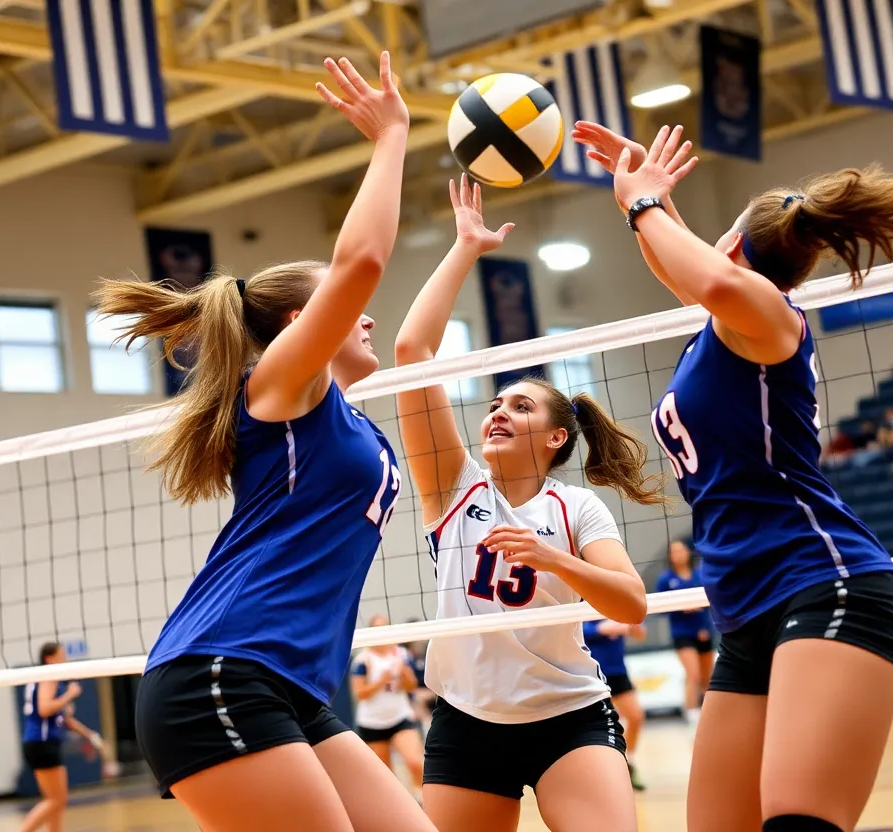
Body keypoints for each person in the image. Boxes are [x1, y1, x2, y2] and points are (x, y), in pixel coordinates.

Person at [574, 119, 893, 832]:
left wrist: (645, 202)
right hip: (748, 612)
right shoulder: (722, 326)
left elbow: (701, 271)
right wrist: (636, 200)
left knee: (798, 822)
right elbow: (687, 272)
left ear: (734, 248)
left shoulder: (768, 314)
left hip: (825, 584)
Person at [102, 53, 434, 832]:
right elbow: (362, 262)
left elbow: (395, 319)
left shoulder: (347, 422)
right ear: (299, 327)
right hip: (221, 671)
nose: (367, 316)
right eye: (346, 309)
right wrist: (391, 140)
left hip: (290, 685)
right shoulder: (283, 389)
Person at [394, 174, 660, 832]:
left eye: (520, 406)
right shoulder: (452, 488)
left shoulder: (576, 510)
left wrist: (554, 560)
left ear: (557, 436)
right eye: (493, 405)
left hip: (568, 713)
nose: (498, 414)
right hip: (465, 719)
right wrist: (464, 248)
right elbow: (411, 351)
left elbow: (630, 603)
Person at [19, 642, 105, 832]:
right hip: (42, 743)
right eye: (61, 656)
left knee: (56, 801)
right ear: (49, 659)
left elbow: (66, 720)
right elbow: (44, 709)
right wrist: (69, 695)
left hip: (40, 743)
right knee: (56, 800)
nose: (65, 659)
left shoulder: (47, 679)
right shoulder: (48, 678)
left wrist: (90, 735)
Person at [351, 616, 424, 794]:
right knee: (386, 779)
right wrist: (381, 681)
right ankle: (402, 813)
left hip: (400, 717)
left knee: (415, 762)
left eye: (385, 627)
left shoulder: (401, 654)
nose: (382, 632)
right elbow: (359, 694)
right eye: (378, 628)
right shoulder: (363, 660)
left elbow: (412, 686)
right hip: (372, 723)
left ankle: (423, 804)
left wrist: (404, 674)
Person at [582, 618, 648, 790]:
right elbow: (580, 629)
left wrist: (633, 627)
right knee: (597, 725)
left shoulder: (613, 607)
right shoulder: (583, 603)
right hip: (592, 674)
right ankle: (596, 773)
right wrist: (602, 628)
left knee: (636, 717)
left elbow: (640, 632)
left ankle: (628, 762)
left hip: (617, 671)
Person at [655, 540, 714, 722]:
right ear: (670, 556)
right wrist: (681, 607)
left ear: (687, 553)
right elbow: (657, 607)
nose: (678, 554)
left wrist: (705, 627)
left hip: (703, 632)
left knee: (708, 680)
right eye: (674, 551)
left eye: (681, 550)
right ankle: (692, 718)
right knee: (693, 674)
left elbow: (710, 602)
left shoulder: (699, 575)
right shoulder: (666, 579)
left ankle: (711, 717)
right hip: (682, 633)